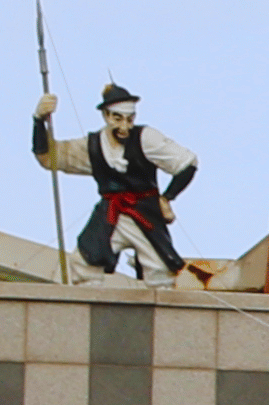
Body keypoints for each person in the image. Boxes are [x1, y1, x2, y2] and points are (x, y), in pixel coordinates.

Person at [31, 83, 203, 281]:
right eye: (117, 119)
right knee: (82, 264)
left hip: (145, 213)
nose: (124, 127)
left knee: (161, 270)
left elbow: (188, 163)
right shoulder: (92, 146)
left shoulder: (146, 138)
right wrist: (39, 120)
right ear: (106, 116)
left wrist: (167, 198)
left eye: (130, 119)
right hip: (110, 215)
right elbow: (49, 157)